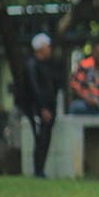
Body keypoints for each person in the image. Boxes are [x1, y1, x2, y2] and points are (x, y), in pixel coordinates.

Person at [23, 33, 59, 178]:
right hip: (38, 109)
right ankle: (38, 171)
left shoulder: (47, 65)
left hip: (49, 107)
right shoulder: (32, 65)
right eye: (47, 46)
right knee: (40, 139)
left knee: (46, 138)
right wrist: (42, 107)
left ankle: (41, 170)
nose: (49, 49)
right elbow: (34, 88)